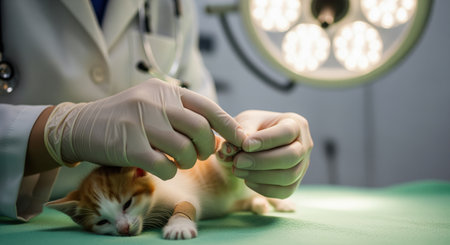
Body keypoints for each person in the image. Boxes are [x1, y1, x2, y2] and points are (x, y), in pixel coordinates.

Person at [0, 0, 313, 221]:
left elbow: (198, 115)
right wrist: (56, 131)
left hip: (158, 199)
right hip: (31, 211)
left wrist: (249, 138)